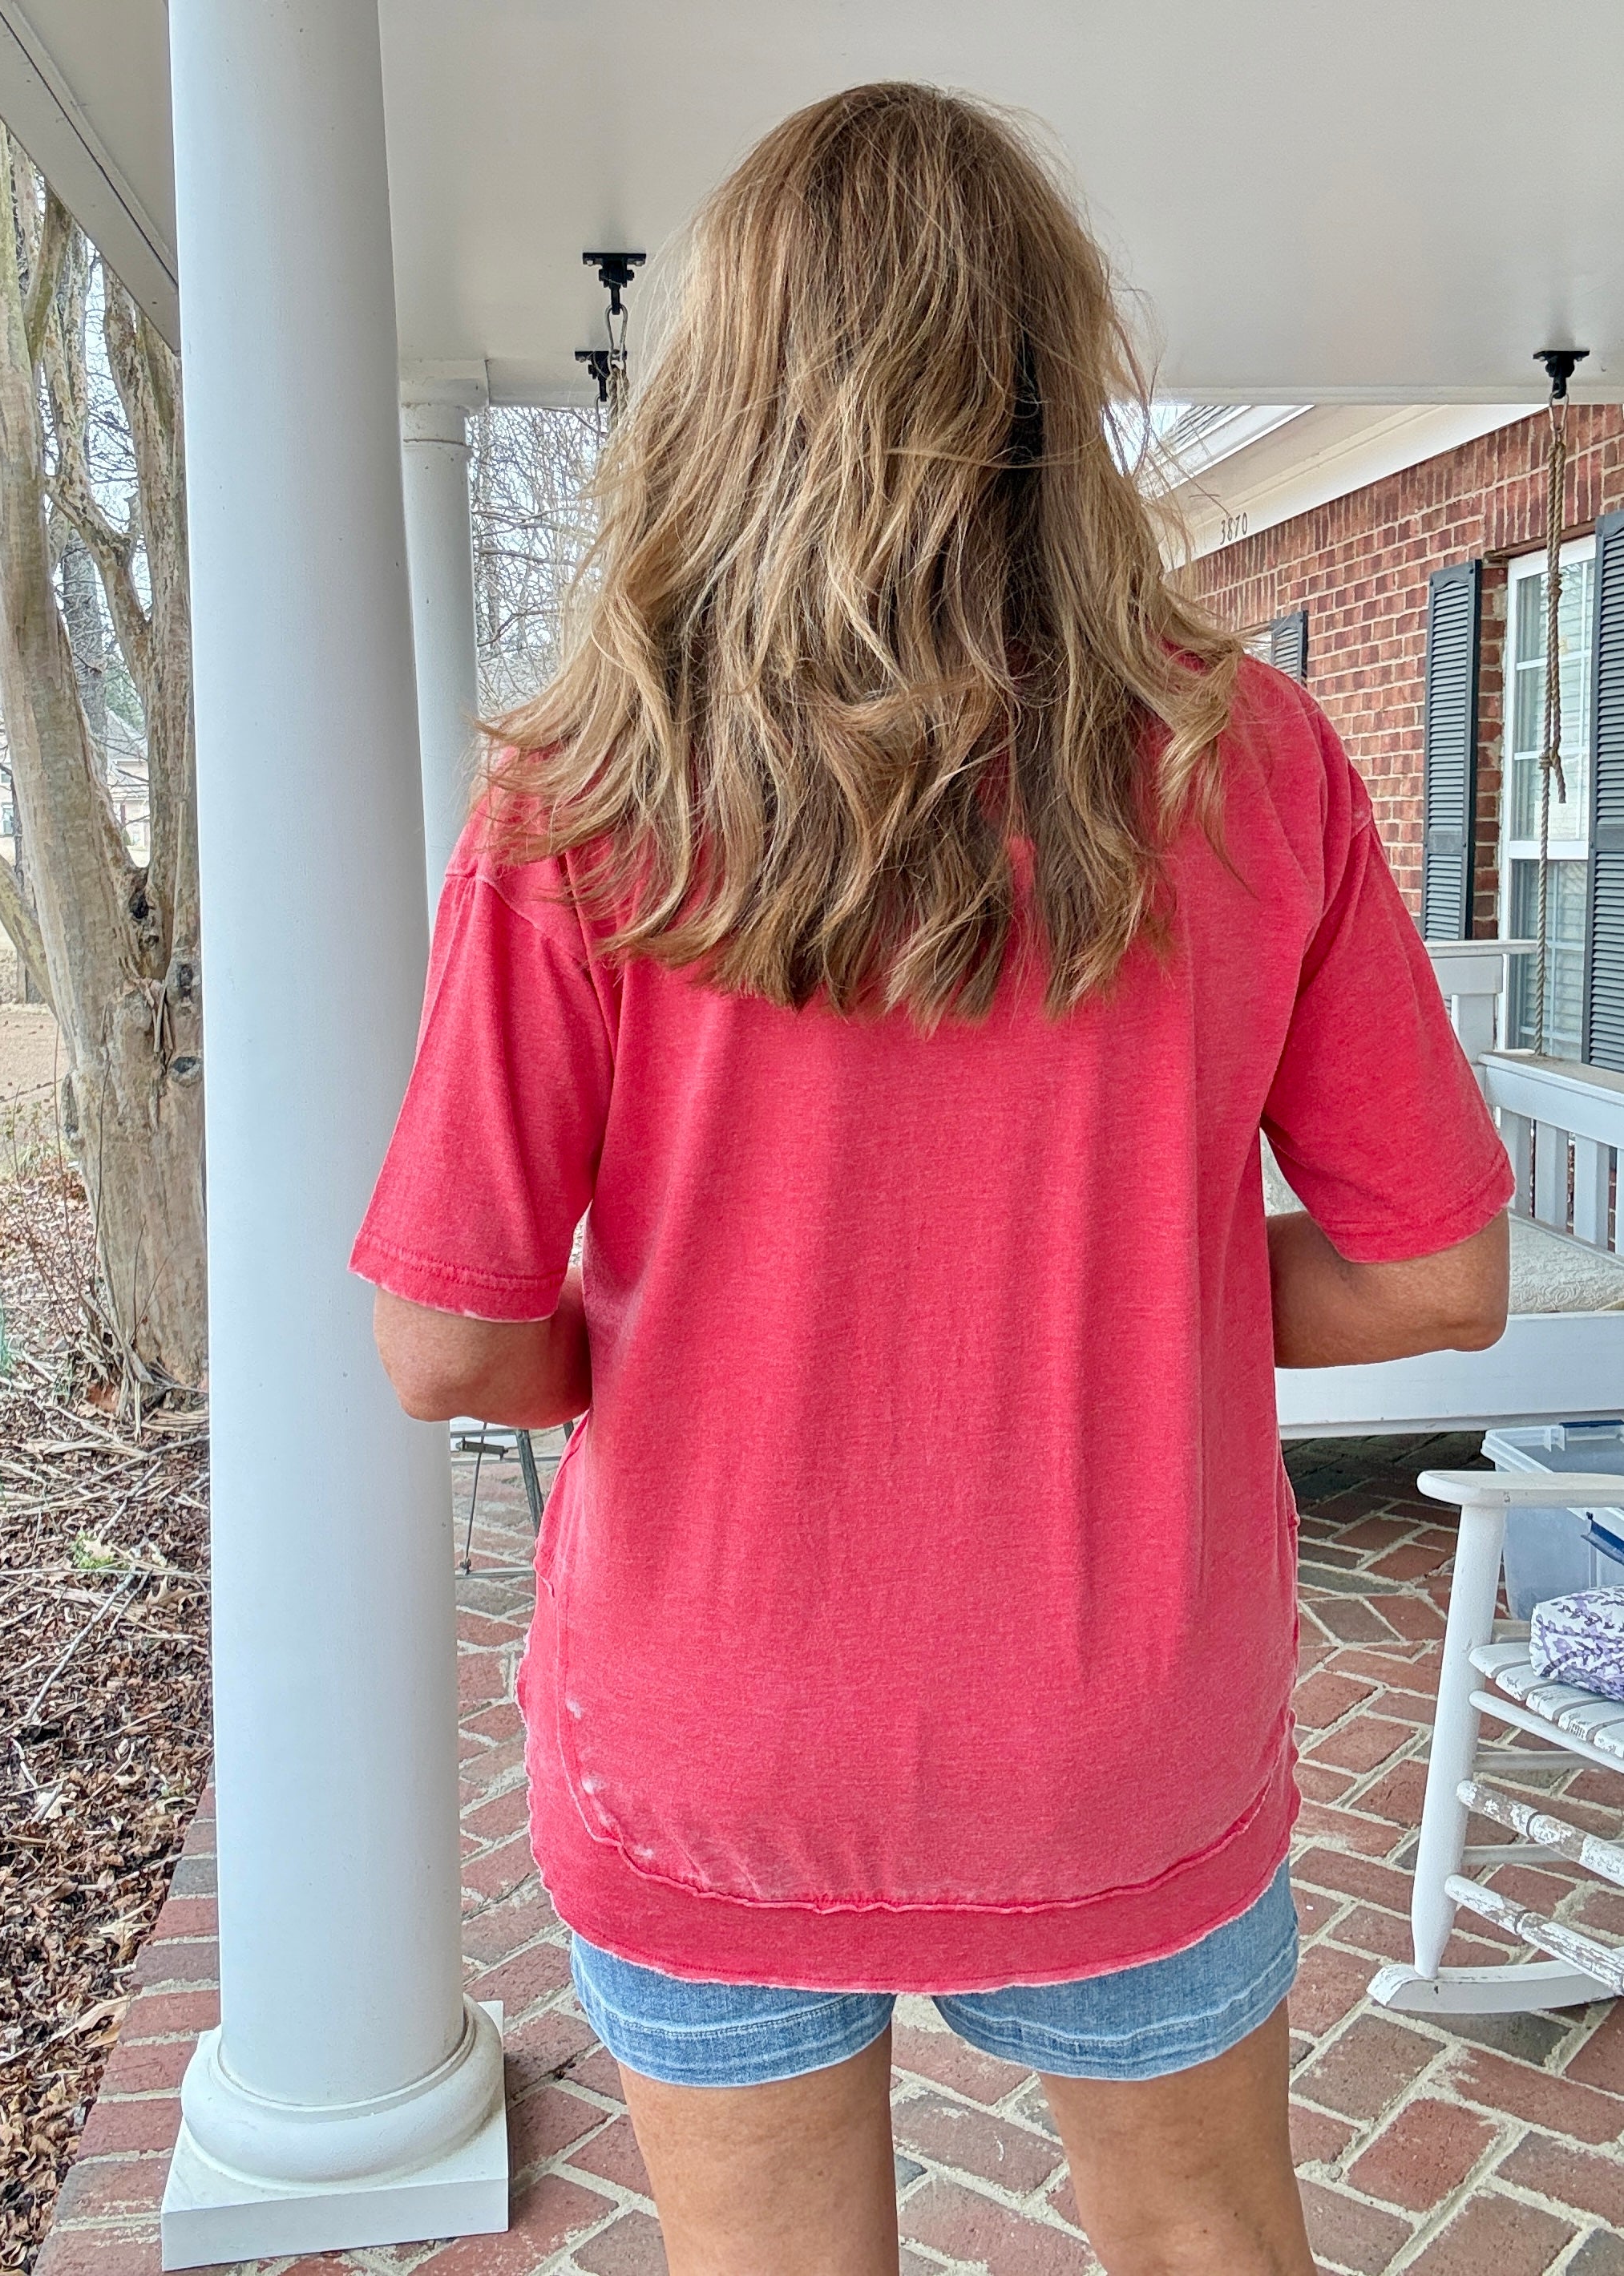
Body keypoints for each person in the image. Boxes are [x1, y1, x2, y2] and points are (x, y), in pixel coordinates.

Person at [353, 82, 1511, 2276]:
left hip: (712, 1733)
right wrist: (1142, 1292)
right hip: (1118, 1731)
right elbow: (1440, 1281)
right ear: (1055, 386)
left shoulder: (582, 790)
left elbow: (444, 1344)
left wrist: (714, 1334)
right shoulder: (1247, 760)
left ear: (723, 385)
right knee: (1207, 2242)